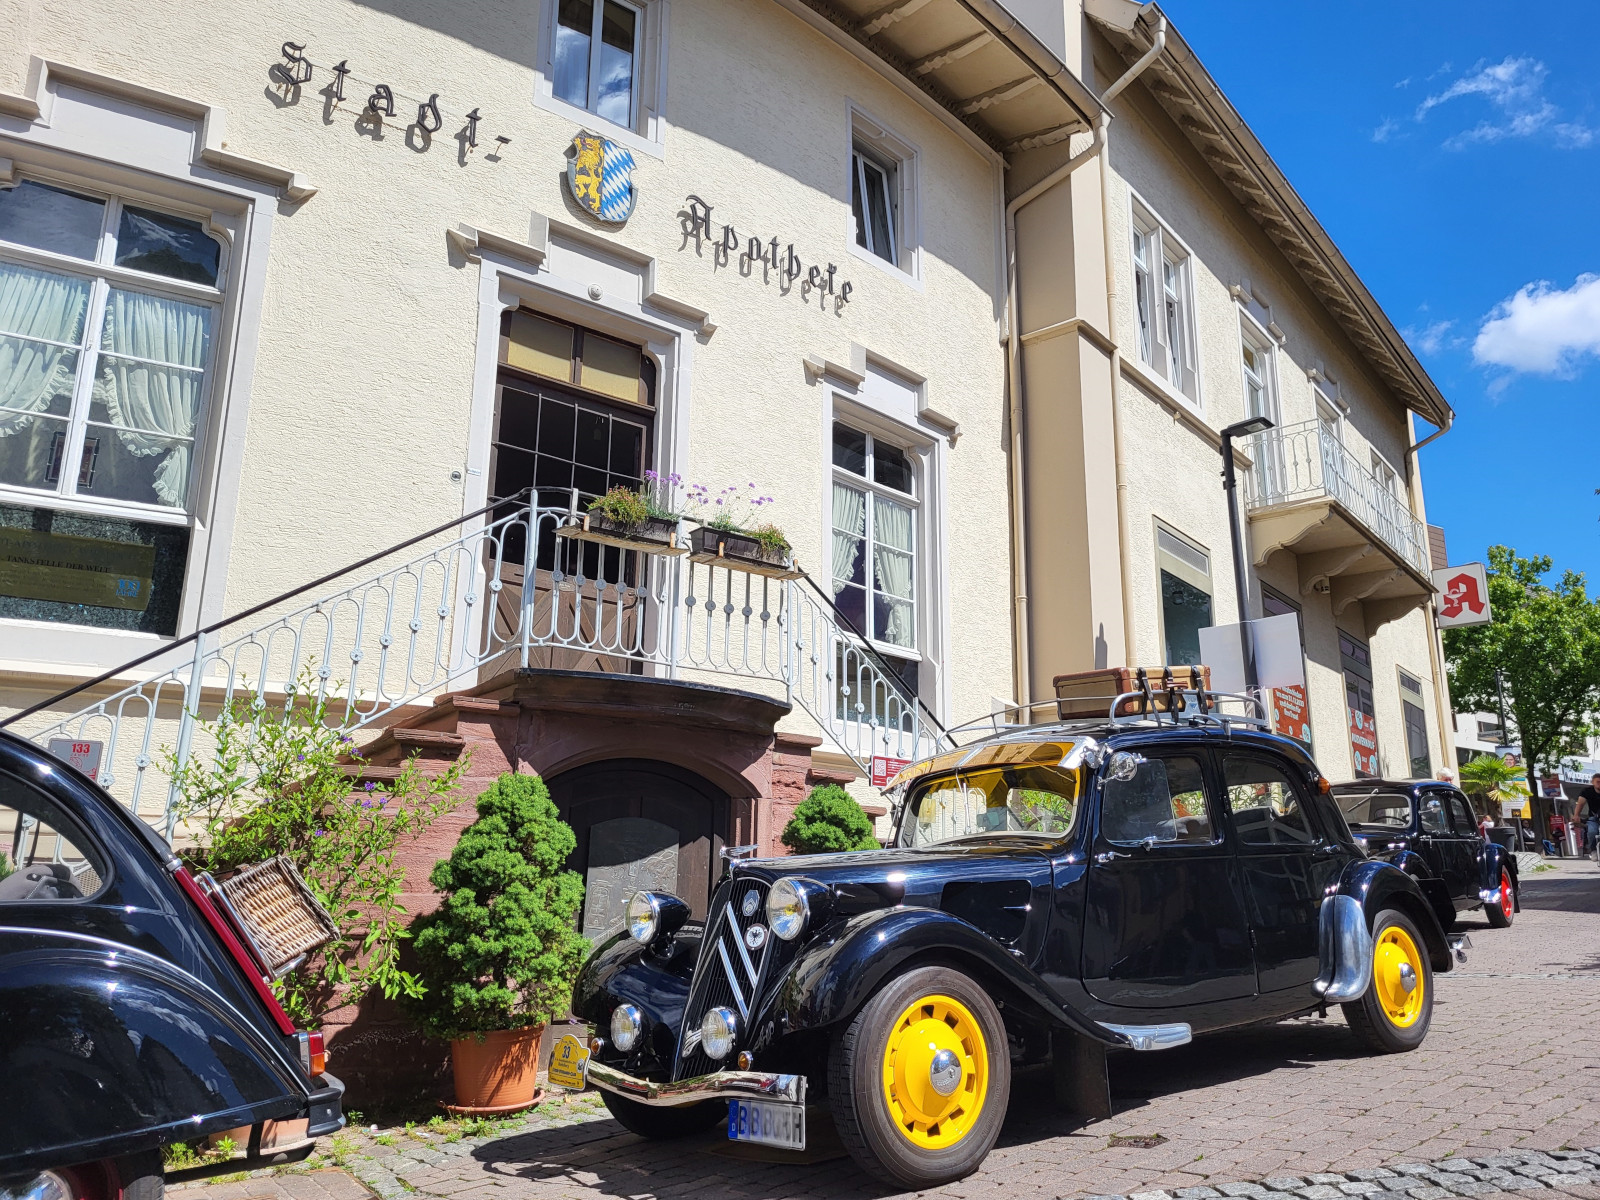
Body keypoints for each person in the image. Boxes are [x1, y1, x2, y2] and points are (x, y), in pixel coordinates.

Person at [1575, 775, 1600, 856]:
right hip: (1593, 817)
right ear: (1592, 782)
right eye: (1598, 782)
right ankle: (1593, 851)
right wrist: (1576, 815)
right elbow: (1580, 804)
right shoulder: (1587, 791)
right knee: (1592, 831)